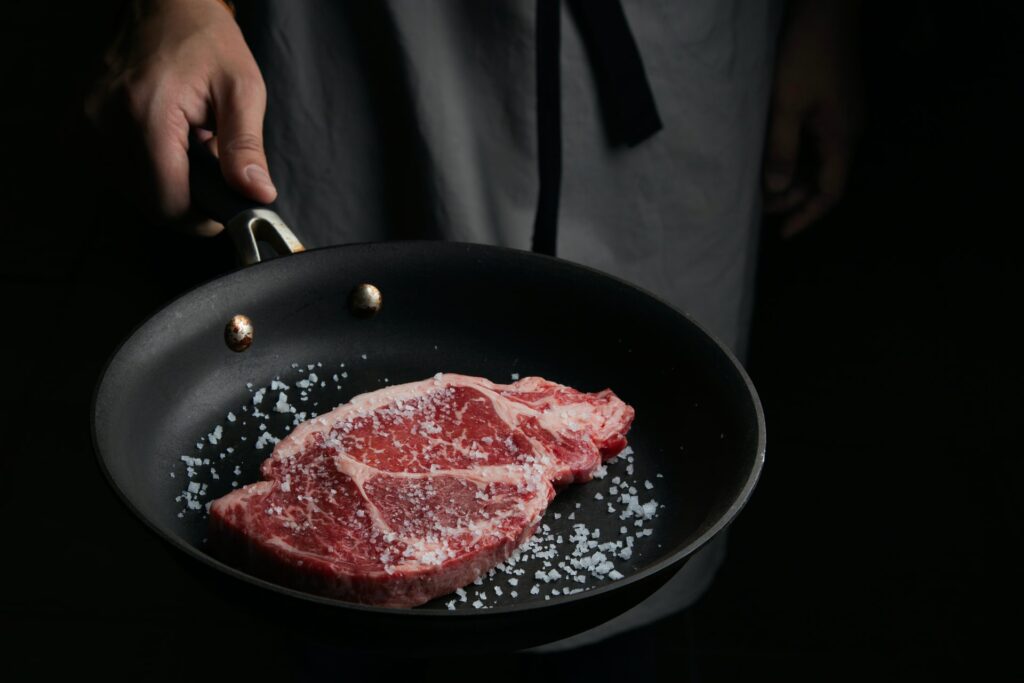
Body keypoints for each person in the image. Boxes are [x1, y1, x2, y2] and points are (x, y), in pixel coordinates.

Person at [87, 0, 862, 653]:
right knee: (323, 651)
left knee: (630, 622)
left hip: (676, 55)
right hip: (376, 46)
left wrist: (828, 17)